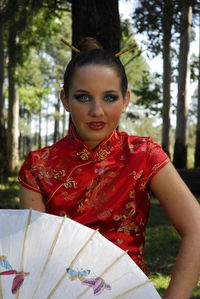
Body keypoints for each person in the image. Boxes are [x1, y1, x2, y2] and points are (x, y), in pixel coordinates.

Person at [18, 37, 200, 299]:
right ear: (65, 100)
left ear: (125, 100)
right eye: (83, 97)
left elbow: (196, 227)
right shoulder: (39, 167)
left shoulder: (143, 155)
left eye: (110, 97)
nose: (97, 110)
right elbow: (34, 259)